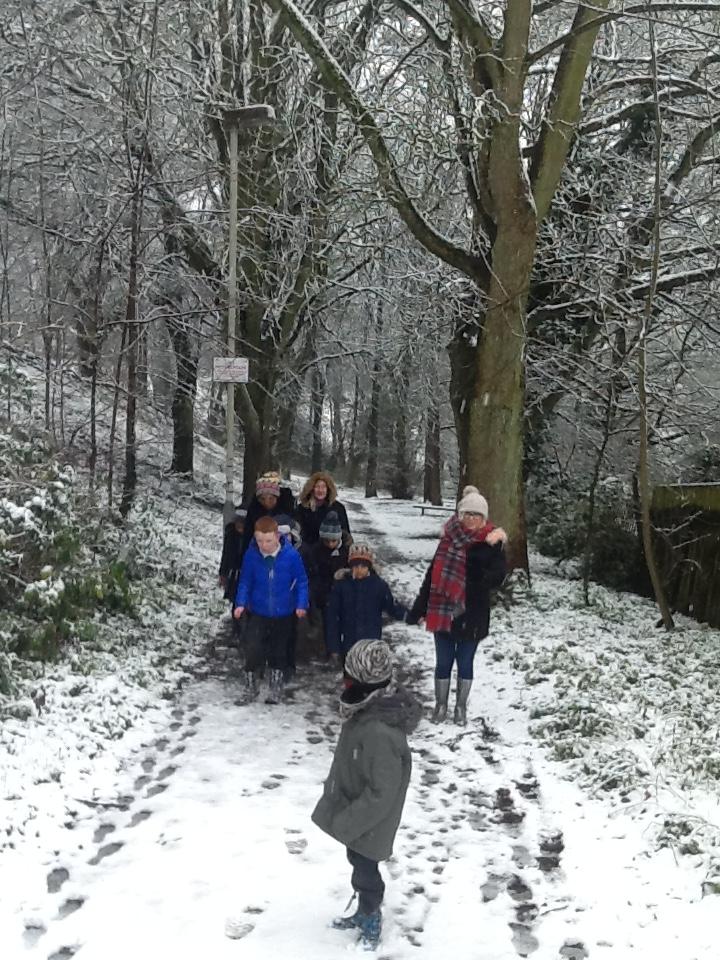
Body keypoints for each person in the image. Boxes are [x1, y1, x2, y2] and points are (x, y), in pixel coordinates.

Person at [312, 639, 421, 951]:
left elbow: (382, 791)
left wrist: (349, 820)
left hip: (369, 819)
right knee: (358, 860)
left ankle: (370, 916)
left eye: (348, 675)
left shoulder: (379, 730)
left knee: (365, 869)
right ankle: (364, 909)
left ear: (361, 680)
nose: (344, 680)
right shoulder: (368, 710)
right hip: (359, 812)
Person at [406, 486, 507, 726]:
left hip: (473, 613)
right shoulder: (447, 540)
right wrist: (419, 608)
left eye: (476, 515)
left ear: (483, 518)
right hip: (443, 611)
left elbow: (499, 576)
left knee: (464, 662)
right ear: (460, 515)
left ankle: (460, 707)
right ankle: (441, 705)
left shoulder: (492, 543)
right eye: (467, 514)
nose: (471, 519)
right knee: (443, 661)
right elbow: (432, 576)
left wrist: (478, 578)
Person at [233, 516, 309, 703]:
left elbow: (301, 581)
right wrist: (240, 603)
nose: (263, 545)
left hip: (284, 612)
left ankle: (276, 687)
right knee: (253, 647)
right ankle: (251, 686)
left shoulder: (291, 556)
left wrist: (301, 604)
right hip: (258, 611)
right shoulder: (251, 555)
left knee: (279, 650)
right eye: (259, 540)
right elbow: (245, 582)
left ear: (277, 536)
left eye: (268, 541)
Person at [325, 544, 407, 664]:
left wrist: (411, 615)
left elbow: (391, 606)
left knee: (369, 670)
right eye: (355, 566)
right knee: (351, 671)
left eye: (363, 566)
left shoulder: (378, 585)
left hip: (371, 640)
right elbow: (332, 617)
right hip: (349, 641)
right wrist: (334, 647)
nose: (359, 570)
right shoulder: (342, 586)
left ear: (369, 567)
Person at [300, 511, 350, 658]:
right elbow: (312, 571)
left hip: (340, 589)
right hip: (321, 586)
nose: (330, 544)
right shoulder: (316, 550)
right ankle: (324, 639)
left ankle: (336, 646)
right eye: (327, 541)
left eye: (333, 541)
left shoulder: (345, 552)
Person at [241, 471, 296, 552]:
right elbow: (247, 536)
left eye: (271, 499)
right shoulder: (254, 511)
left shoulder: (286, 511)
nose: (267, 502)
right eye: (262, 499)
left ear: (277, 498)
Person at [295, 471, 351, 546]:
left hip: (331, 548)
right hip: (307, 549)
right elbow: (298, 533)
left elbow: (346, 535)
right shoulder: (302, 508)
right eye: (317, 487)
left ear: (328, 489)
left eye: (323, 487)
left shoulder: (338, 508)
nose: (320, 490)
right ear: (311, 489)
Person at [218, 508, 247, 606]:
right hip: (233, 572)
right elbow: (226, 554)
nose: (240, 525)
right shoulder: (231, 534)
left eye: (242, 523)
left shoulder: (251, 537)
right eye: (238, 522)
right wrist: (223, 573)